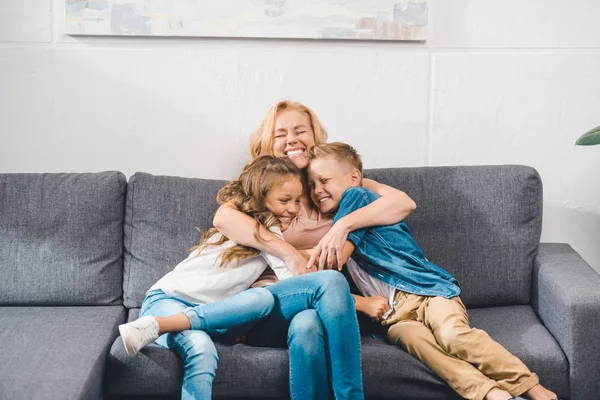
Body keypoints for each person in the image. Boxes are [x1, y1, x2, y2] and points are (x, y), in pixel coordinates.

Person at [305, 142, 559, 400]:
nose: (317, 190)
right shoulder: (340, 215)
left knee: (453, 336)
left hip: (426, 290)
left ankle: (532, 387)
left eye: (324, 180)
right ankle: (493, 394)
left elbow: (334, 260)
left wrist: (292, 256)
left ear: (354, 177)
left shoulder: (356, 197)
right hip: (394, 316)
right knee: (422, 346)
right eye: (311, 185)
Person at [212, 100, 414, 399]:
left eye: (300, 130)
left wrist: (342, 226)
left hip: (323, 307)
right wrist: (289, 253)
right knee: (311, 310)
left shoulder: (332, 183)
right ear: (270, 142)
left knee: (307, 325)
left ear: (315, 137)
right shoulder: (263, 187)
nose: (291, 139)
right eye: (281, 133)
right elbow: (223, 217)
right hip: (278, 302)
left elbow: (402, 203)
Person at [117, 156, 348, 400]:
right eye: (284, 200)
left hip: (211, 313)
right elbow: (300, 277)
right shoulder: (244, 224)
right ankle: (155, 324)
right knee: (201, 350)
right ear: (261, 196)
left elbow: (294, 281)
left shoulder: (274, 236)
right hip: (167, 301)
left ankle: (168, 325)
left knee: (262, 298)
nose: (293, 208)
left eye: (297, 201)